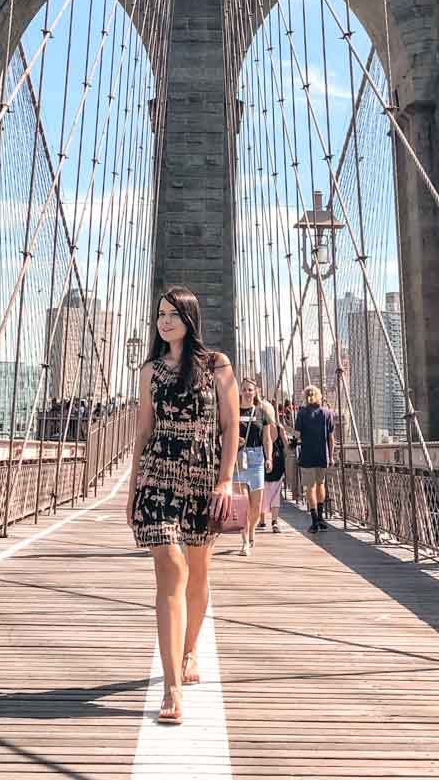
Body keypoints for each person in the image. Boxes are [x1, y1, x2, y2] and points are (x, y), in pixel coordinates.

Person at [127, 286, 238, 726]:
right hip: (158, 476)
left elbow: (230, 428)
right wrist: (133, 488)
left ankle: (190, 649)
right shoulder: (149, 370)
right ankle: (172, 683)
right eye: (159, 314)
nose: (165, 321)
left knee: (198, 571)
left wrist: (227, 480)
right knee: (171, 567)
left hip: (201, 479)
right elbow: (141, 433)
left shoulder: (218, 365)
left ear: (190, 318)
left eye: (173, 314)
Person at [236, 377, 275, 556]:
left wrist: (269, 458)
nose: (247, 392)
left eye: (250, 389)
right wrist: (233, 441)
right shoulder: (233, 411)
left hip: (257, 458)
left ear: (255, 391)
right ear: (240, 391)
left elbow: (267, 438)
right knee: (244, 503)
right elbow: (223, 434)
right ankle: (245, 541)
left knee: (256, 506)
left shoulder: (262, 412)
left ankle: (251, 530)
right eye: (244, 389)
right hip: (239, 459)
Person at [293, 383, 334, 533]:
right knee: (320, 484)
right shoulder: (327, 413)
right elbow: (331, 438)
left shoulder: (302, 413)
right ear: (319, 396)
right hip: (323, 455)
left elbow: (297, 435)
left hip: (307, 455)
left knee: (310, 487)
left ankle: (314, 520)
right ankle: (322, 518)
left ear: (305, 397)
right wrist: (331, 455)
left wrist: (292, 441)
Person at [257, 412, 288, 533]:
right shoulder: (279, 428)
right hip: (278, 463)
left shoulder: (260, 426)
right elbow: (286, 445)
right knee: (276, 494)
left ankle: (262, 520)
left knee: (261, 492)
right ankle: (274, 521)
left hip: (263, 461)